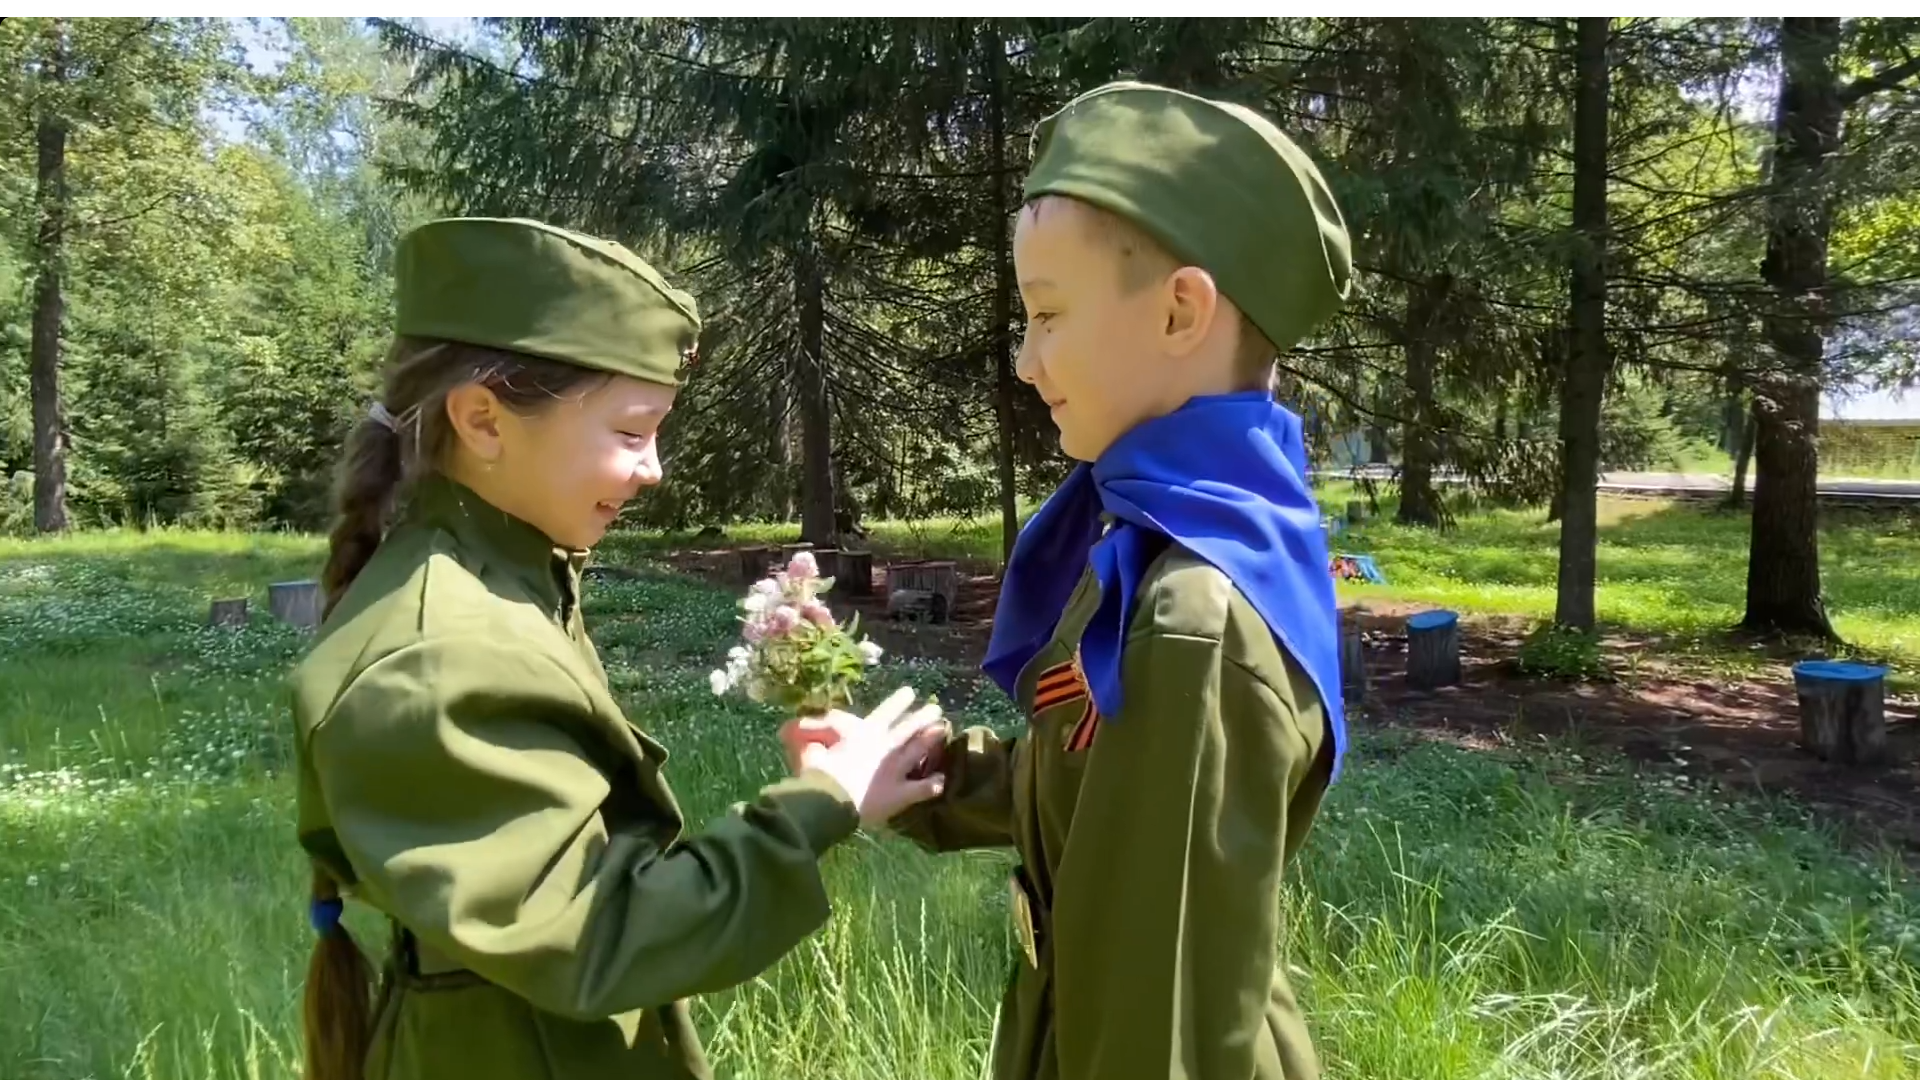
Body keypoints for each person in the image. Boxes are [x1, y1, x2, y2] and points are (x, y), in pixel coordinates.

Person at [289, 216, 949, 1080]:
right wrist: (822, 803)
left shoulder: (508, 578)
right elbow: (598, 933)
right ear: (483, 421)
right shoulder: (434, 655)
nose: (655, 469)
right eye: (632, 433)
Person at [788, 82, 1354, 1078]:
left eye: (1047, 315)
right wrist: (923, 781)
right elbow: (1097, 785)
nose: (1024, 360)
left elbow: (1161, 1020)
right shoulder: (1162, 551)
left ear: (1181, 311)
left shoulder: (1191, 616)